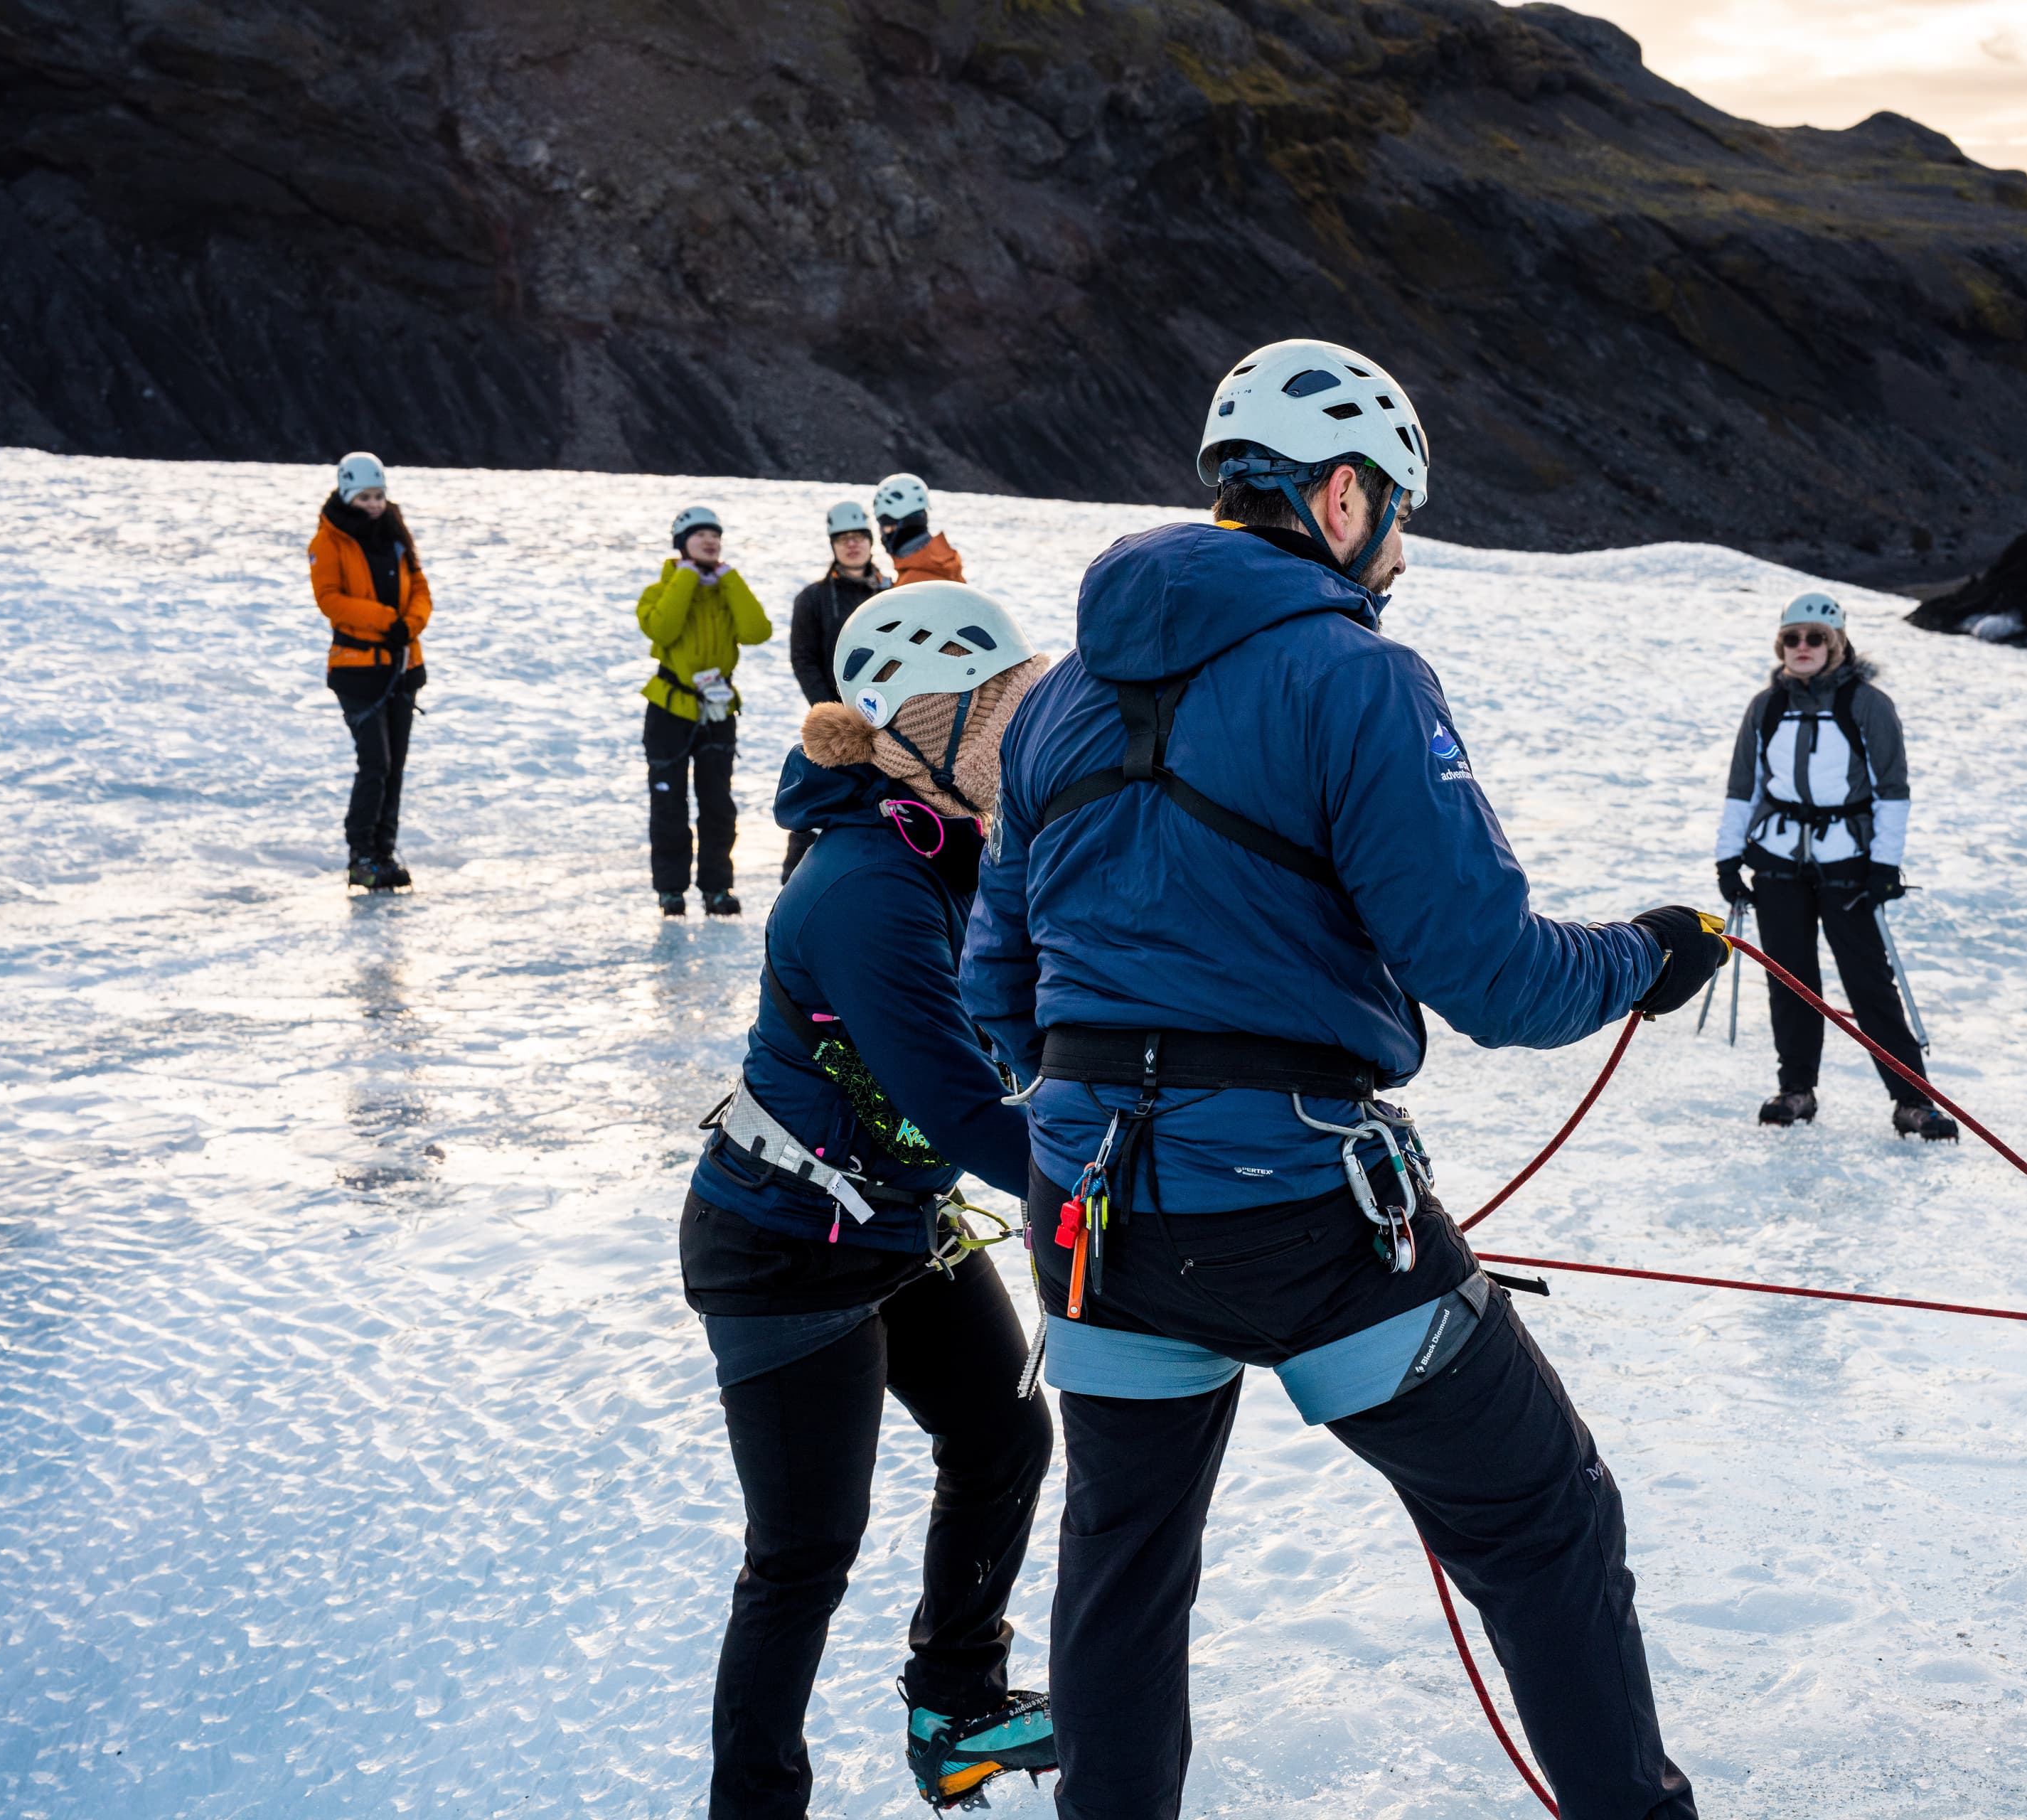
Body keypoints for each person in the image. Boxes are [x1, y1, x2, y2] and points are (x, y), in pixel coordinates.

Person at [961, 338, 1723, 1820]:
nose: (1397, 555)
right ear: (1347, 494)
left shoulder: (1050, 706)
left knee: (1123, 1574)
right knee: (1543, 1518)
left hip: (1093, 1221)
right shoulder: (1358, 675)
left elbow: (999, 981)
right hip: (1309, 1213)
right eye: (1400, 516)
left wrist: (1092, 1117)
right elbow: (1492, 973)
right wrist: (1645, 954)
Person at [683, 578, 1060, 1816]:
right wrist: (1108, 1195)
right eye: (994, 717)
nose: (1021, 741)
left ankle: (957, 1706)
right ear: (915, 738)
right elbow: (964, 1103)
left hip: (894, 1218)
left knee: (1004, 1436)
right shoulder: (866, 889)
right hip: (784, 1244)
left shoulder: (970, 851)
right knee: (802, 1556)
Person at [1713, 592, 1959, 1140]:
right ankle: (1796, 1090)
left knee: (1869, 981)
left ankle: (1912, 1099)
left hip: (1848, 861)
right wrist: (1728, 858)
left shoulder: (1868, 704)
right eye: (1792, 639)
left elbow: (1892, 791)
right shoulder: (1766, 706)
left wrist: (1884, 866)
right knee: (1791, 980)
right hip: (1777, 860)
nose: (1803, 647)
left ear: (1837, 643)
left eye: (1815, 638)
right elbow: (1742, 788)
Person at [638, 505, 773, 916]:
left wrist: (728, 579)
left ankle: (717, 888)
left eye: (715, 535)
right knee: (669, 804)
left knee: (718, 804)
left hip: (718, 711)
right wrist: (686, 578)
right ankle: (670, 889)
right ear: (681, 544)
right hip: (669, 710)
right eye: (699, 535)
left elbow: (756, 631)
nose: (710, 541)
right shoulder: (660, 590)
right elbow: (661, 629)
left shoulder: (727, 590)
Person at [309, 451, 430, 891]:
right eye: (365, 497)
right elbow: (331, 599)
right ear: (347, 495)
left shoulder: (396, 534)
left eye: (379, 496)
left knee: (394, 764)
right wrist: (385, 622)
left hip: (402, 667)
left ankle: (384, 852)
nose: (375, 505)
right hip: (358, 671)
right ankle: (361, 856)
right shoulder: (330, 541)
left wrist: (409, 626)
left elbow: (419, 587)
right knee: (375, 762)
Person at [779, 499, 889, 879]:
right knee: (820, 801)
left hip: (892, 722)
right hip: (834, 728)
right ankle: (797, 885)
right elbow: (804, 659)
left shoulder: (894, 594)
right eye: (844, 539)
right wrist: (832, 714)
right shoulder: (812, 599)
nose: (852, 545)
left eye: (859, 537)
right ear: (833, 544)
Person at [874, 473, 966, 584]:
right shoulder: (943, 564)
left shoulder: (913, 584)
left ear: (894, 527)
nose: (882, 533)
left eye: (884, 526)